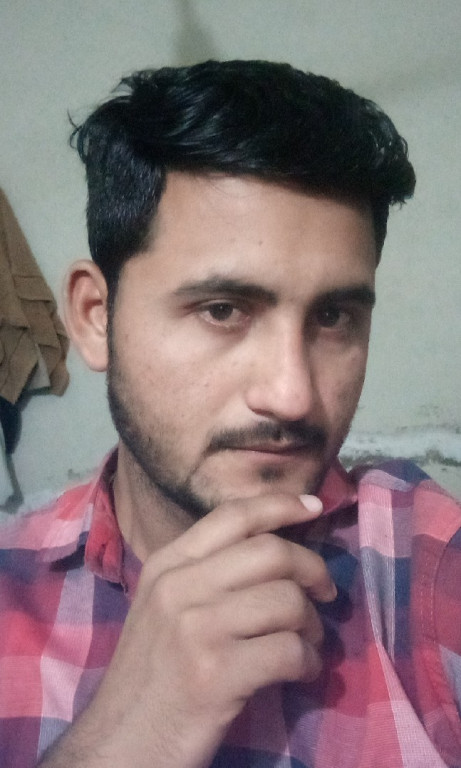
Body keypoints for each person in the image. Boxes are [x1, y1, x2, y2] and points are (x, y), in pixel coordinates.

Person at [0, 59, 460, 768]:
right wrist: (126, 738)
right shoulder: (9, 590)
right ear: (95, 318)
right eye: (222, 310)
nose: (293, 395)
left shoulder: (424, 560)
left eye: (333, 317)